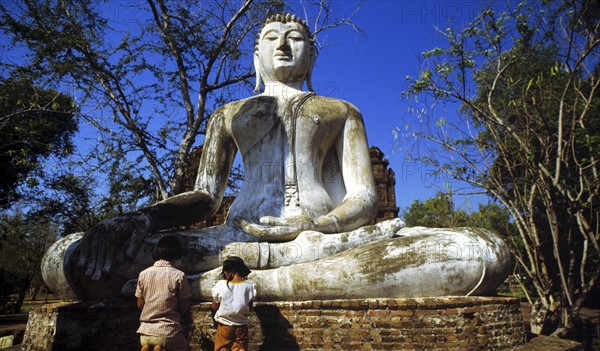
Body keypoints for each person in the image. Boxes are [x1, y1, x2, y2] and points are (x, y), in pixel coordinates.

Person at [41, 13, 511, 302]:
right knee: (70, 258)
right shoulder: (228, 113)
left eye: (295, 38)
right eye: (271, 37)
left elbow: (365, 199)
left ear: (313, 54)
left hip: (323, 242)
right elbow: (206, 195)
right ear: (256, 54)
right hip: (229, 242)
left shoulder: (341, 111)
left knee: (480, 254)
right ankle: (249, 276)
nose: (283, 44)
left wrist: (315, 226)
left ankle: (239, 287)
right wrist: (138, 218)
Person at [131, 236, 193, 351]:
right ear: (176, 252)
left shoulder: (143, 274)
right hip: (167, 332)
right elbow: (184, 307)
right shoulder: (179, 275)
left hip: (145, 332)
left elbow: (140, 304)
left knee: (149, 344)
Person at [211, 257, 260, 351]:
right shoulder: (249, 286)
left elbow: (214, 306)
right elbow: (250, 308)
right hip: (241, 327)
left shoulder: (221, 285)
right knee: (239, 350)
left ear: (227, 272)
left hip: (224, 326)